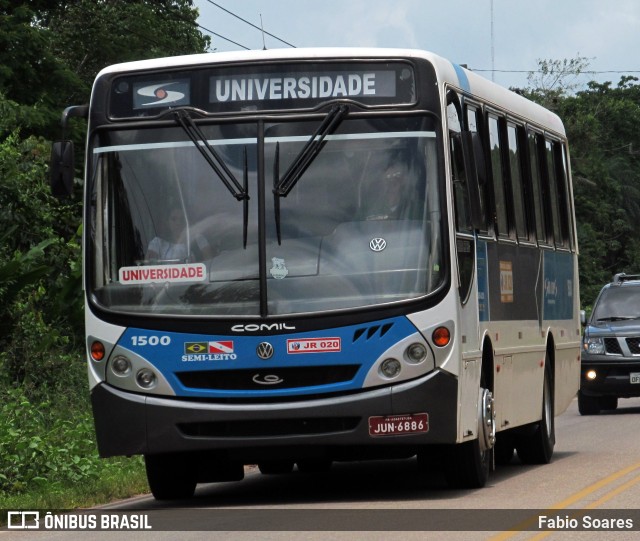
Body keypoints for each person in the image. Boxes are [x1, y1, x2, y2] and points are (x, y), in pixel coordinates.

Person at [147, 208, 212, 263]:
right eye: (174, 219)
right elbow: (148, 268)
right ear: (167, 222)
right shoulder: (157, 243)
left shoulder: (198, 239)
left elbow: (209, 265)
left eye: (182, 219)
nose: (178, 223)